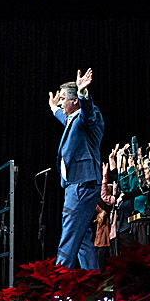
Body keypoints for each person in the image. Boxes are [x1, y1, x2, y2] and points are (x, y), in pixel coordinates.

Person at [48, 68, 104, 269]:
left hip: (82, 185)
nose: (61, 102)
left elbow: (88, 114)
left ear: (74, 101)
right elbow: (65, 119)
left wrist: (83, 93)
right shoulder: (73, 119)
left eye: (63, 99)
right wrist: (54, 108)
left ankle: (56, 286)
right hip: (76, 185)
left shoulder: (88, 117)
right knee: (82, 240)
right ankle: (94, 286)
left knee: (70, 236)